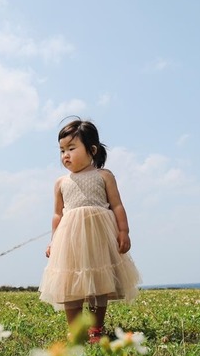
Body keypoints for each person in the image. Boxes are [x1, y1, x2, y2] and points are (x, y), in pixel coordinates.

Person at [39, 118, 141, 343]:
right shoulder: (61, 183)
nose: (65, 154)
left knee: (98, 280)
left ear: (92, 150)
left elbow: (117, 205)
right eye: (62, 150)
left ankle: (95, 329)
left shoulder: (104, 176)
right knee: (68, 282)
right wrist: (53, 241)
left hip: (99, 237)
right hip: (70, 239)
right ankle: (75, 330)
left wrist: (123, 231)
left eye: (71, 148)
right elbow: (58, 214)